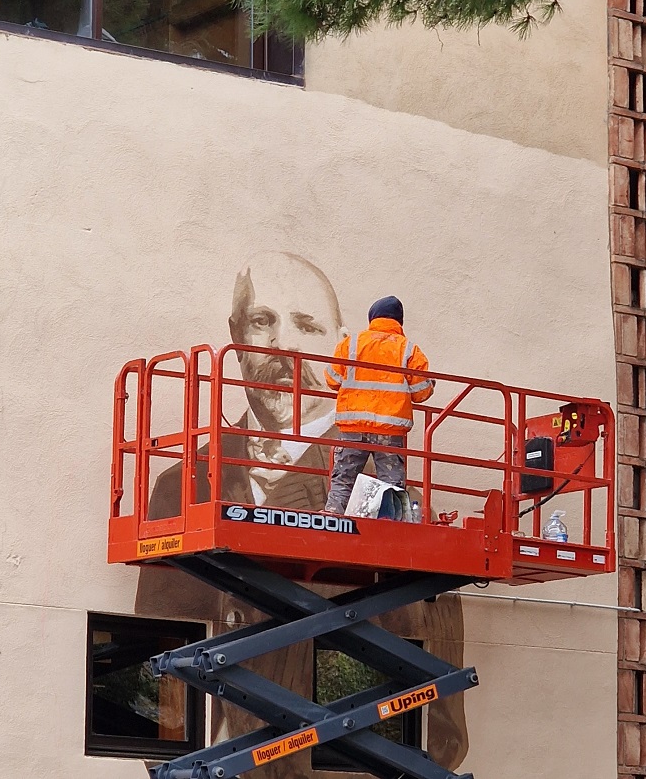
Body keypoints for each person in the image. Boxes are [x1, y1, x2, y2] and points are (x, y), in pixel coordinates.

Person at [134, 255, 468, 775]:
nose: (284, 345)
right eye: (262, 320)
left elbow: (441, 727)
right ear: (235, 334)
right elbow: (160, 685)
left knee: (346, 481)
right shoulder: (179, 485)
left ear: (339, 339)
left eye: (307, 326)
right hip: (385, 438)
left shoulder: (393, 508)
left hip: (355, 437)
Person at [324, 295, 435, 514]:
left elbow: (332, 380)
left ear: (372, 317)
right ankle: (392, 521)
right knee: (391, 482)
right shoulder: (408, 350)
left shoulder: (351, 344)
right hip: (389, 431)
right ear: (399, 321)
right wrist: (430, 384)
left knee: (344, 477)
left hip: (353, 427)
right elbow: (421, 393)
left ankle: (333, 513)